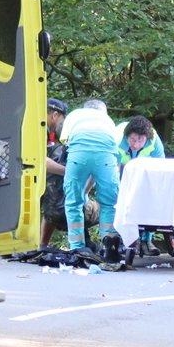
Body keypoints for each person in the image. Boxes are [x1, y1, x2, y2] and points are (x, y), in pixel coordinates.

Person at [61, 99, 120, 254]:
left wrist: (83, 190)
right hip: (106, 157)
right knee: (110, 203)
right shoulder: (108, 121)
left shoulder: (74, 115)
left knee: (73, 202)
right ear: (103, 112)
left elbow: (65, 143)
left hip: (78, 154)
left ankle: (77, 247)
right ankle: (109, 244)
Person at [39, 98, 69, 249]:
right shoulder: (39, 127)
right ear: (55, 115)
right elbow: (38, 160)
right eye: (63, 120)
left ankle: (42, 244)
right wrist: (68, 171)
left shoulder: (51, 134)